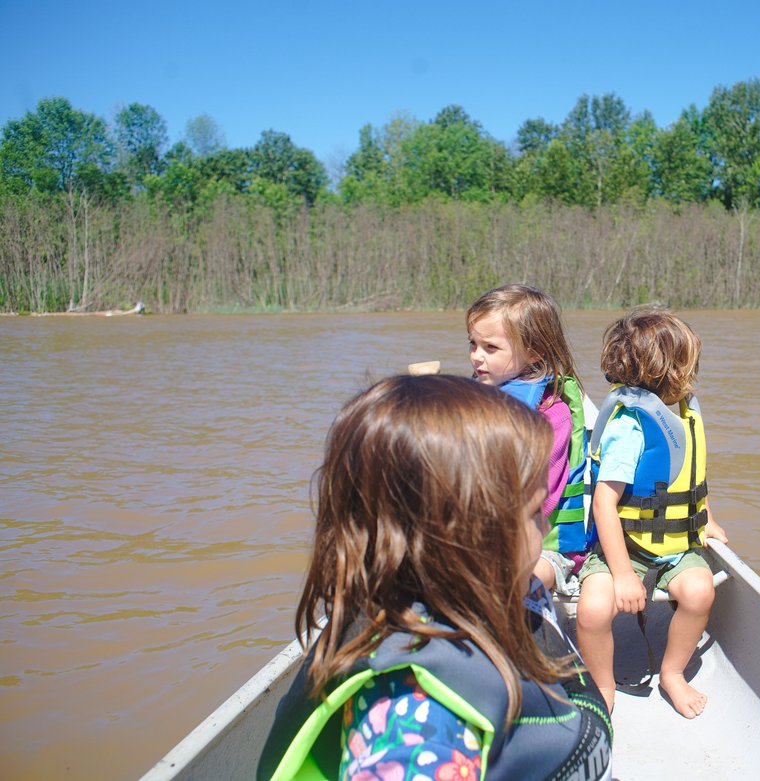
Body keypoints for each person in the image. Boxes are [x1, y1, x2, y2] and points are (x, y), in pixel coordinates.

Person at [257, 375, 612, 781]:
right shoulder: (414, 721)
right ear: (464, 538)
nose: (546, 521)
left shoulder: (503, 589)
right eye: (534, 512)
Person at [575, 308, 728, 719]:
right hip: (621, 547)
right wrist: (623, 574)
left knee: (699, 592)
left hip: (675, 546)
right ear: (669, 371)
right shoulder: (631, 427)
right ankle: (603, 684)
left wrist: (706, 517)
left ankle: (672, 674)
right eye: (689, 364)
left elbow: (691, 475)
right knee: (592, 609)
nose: (694, 374)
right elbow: (604, 502)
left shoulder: (686, 411)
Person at [466, 284, 590, 597]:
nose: (476, 357)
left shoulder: (552, 415)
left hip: (544, 546)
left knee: (513, 579)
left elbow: (541, 499)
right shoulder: (473, 399)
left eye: (490, 348)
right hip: (483, 533)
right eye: (473, 344)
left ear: (533, 352)